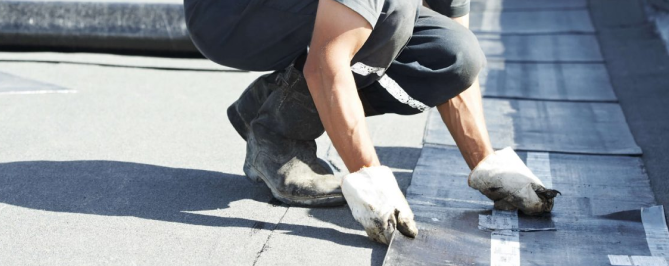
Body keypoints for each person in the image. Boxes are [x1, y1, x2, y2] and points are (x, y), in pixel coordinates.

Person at [184, 0, 559, 244]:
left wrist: (487, 164)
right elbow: (328, 63)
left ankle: (268, 101)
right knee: (391, 15)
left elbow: (453, 46)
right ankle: (277, 135)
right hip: (230, 13)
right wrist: (369, 175)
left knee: (452, 52)